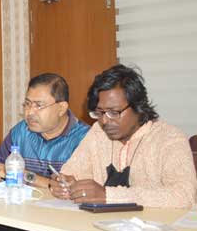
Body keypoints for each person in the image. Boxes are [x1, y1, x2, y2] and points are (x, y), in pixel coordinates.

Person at [50, 65, 197, 208]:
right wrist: (64, 184)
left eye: (114, 112)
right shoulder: (98, 132)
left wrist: (108, 195)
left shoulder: (170, 138)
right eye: (99, 113)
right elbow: (71, 173)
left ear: (138, 107)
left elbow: (185, 195)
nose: (105, 121)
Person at [0, 73, 89, 187]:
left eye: (39, 105)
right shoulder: (21, 131)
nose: (29, 112)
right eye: (27, 104)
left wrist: (25, 176)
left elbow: (72, 188)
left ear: (61, 108)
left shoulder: (85, 138)